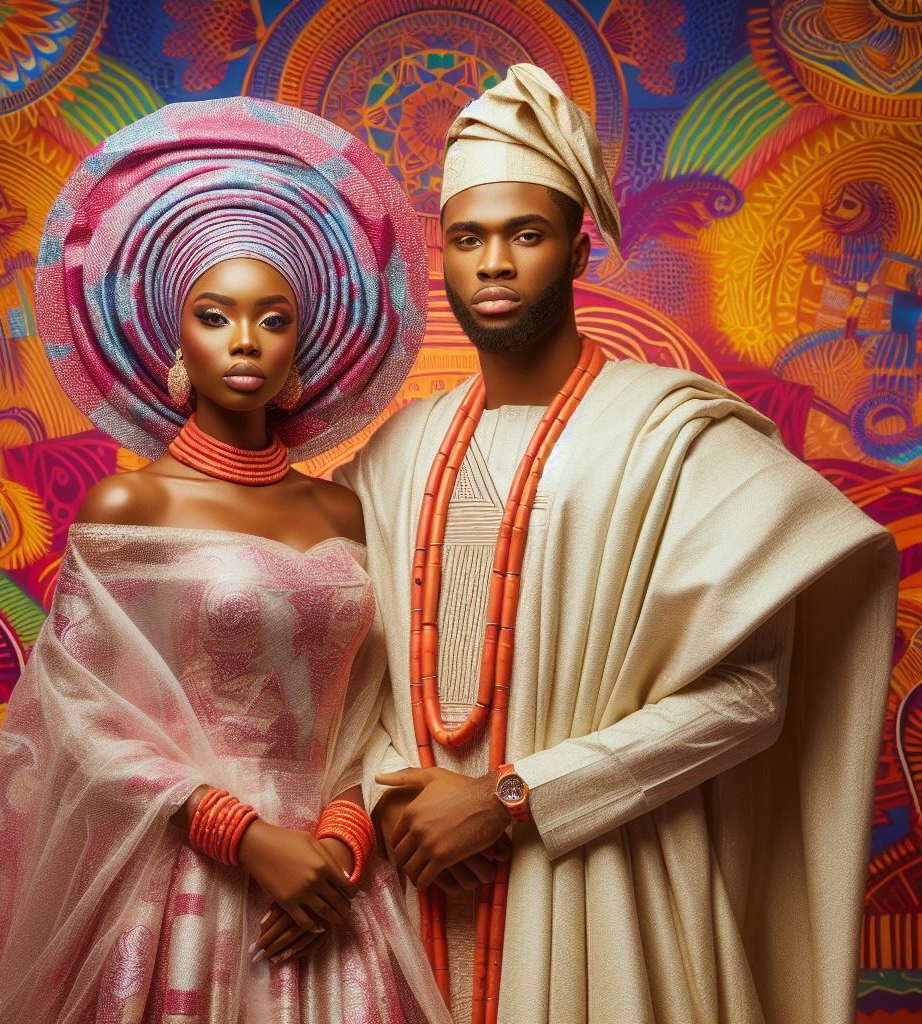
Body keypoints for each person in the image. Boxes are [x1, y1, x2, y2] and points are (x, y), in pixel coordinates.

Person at [336, 64, 899, 1024]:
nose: (495, 265)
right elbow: (349, 676)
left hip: (606, 887)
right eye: (469, 239)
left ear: (579, 248)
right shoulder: (391, 455)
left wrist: (512, 798)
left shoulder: (676, 438)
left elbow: (750, 700)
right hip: (406, 891)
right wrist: (393, 795)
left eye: (526, 235)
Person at [0, 97, 451, 1024]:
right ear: (177, 337)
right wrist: (242, 836)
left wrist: (339, 839)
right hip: (183, 880)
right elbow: (79, 712)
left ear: (305, 341)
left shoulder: (345, 512)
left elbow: (376, 709)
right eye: (216, 315)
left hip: (333, 884)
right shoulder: (136, 504)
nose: (244, 340)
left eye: (271, 317)